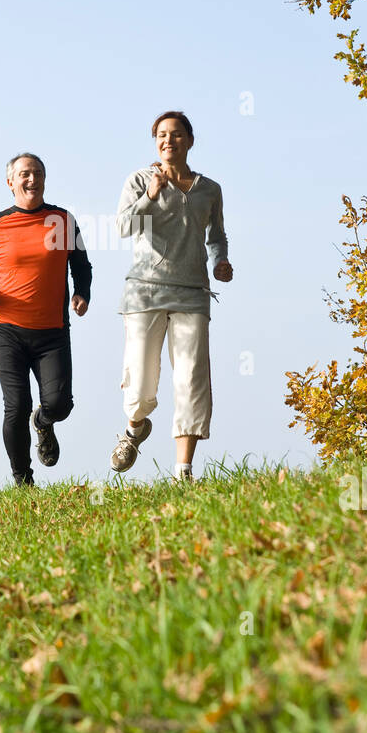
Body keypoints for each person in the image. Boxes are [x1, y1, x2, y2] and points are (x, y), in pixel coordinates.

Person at [110, 112, 232, 481]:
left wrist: (221, 260)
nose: (168, 141)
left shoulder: (209, 189)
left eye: (176, 134)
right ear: (155, 142)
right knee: (142, 383)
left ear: (189, 141)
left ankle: (184, 470)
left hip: (192, 293)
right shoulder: (138, 180)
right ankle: (134, 429)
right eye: (161, 135)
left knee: (192, 379)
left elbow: (216, 235)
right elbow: (123, 226)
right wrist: (150, 195)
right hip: (144, 292)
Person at [0, 153, 92, 486]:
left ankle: (44, 421)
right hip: (7, 329)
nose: (31, 179)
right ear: (10, 182)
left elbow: (81, 266)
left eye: (37, 173)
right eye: (24, 174)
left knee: (60, 405)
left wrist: (82, 293)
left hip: (52, 331)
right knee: (16, 405)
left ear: (45, 179)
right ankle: (23, 480)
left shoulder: (62, 221)